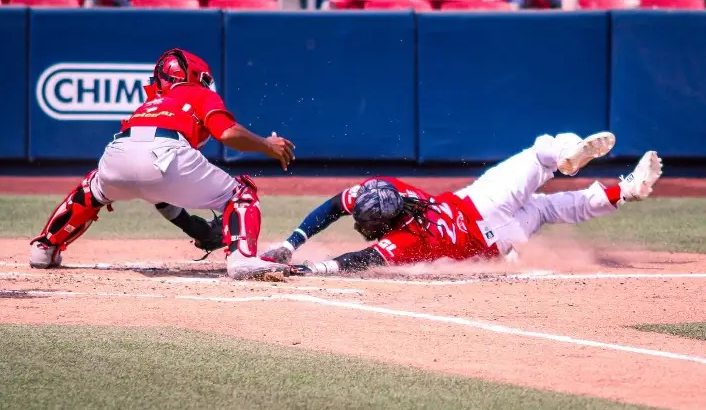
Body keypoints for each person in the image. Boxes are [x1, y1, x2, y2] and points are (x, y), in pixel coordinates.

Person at [30, 48, 295, 280]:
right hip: (166, 155)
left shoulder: (148, 104)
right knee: (241, 193)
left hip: (116, 155)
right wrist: (266, 144)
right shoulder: (198, 93)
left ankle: (45, 247)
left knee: (92, 188)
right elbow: (226, 133)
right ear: (196, 77)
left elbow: (153, 186)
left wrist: (194, 227)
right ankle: (243, 258)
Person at [261, 132, 663, 275]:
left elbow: (358, 260)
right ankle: (567, 156)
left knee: (548, 209)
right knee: (542, 155)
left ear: (386, 220)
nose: (364, 228)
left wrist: (305, 264)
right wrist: (292, 244)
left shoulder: (406, 241)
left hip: (497, 239)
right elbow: (335, 206)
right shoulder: (386, 188)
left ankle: (625, 191)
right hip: (481, 201)